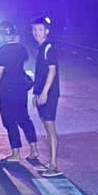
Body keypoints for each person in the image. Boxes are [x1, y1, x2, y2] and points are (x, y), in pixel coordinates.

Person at [0, 21, 39, 163]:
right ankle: (34, 149)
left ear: (1, 34)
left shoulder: (1, 51)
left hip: (5, 90)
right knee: (24, 118)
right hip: (21, 89)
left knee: (9, 121)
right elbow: (24, 61)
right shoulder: (21, 49)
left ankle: (16, 153)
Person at [31, 15, 64, 177]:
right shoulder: (41, 48)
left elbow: (52, 71)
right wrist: (36, 93)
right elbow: (40, 74)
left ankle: (54, 165)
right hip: (42, 94)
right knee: (46, 127)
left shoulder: (49, 48)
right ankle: (51, 162)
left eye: (40, 29)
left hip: (49, 95)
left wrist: (44, 93)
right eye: (34, 30)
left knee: (50, 129)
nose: (36, 32)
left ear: (46, 31)